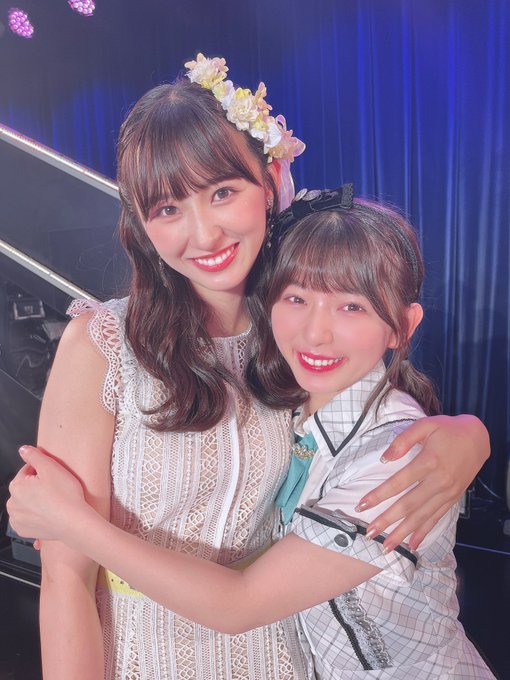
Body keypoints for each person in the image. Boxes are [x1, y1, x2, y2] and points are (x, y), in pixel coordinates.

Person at [8, 55, 489, 680]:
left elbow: (377, 413)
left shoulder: (296, 332)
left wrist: (469, 436)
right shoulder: (102, 345)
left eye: (222, 193)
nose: (204, 234)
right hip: (142, 653)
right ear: (142, 225)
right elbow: (65, 580)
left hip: (280, 652)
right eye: (167, 209)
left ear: (269, 182)